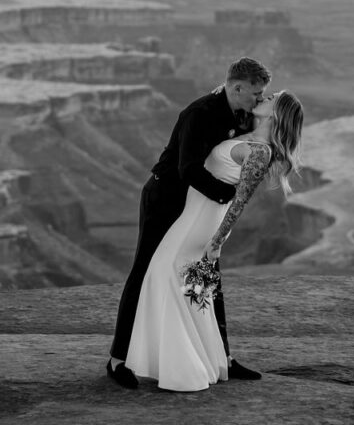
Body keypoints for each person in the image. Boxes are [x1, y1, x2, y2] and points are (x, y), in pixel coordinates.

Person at [107, 56, 272, 389]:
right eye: (256, 93)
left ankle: (219, 355)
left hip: (199, 206)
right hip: (166, 199)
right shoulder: (200, 114)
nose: (259, 99)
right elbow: (189, 169)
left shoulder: (241, 112)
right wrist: (230, 195)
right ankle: (118, 359)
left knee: (207, 273)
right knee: (144, 269)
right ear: (237, 87)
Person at [125, 90, 303, 392]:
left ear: (276, 114)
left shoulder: (260, 151)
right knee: (191, 287)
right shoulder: (246, 133)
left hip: (205, 223)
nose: (264, 96)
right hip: (192, 214)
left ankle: (183, 368)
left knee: (169, 275)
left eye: (271, 96)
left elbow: (240, 202)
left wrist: (217, 241)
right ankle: (210, 360)